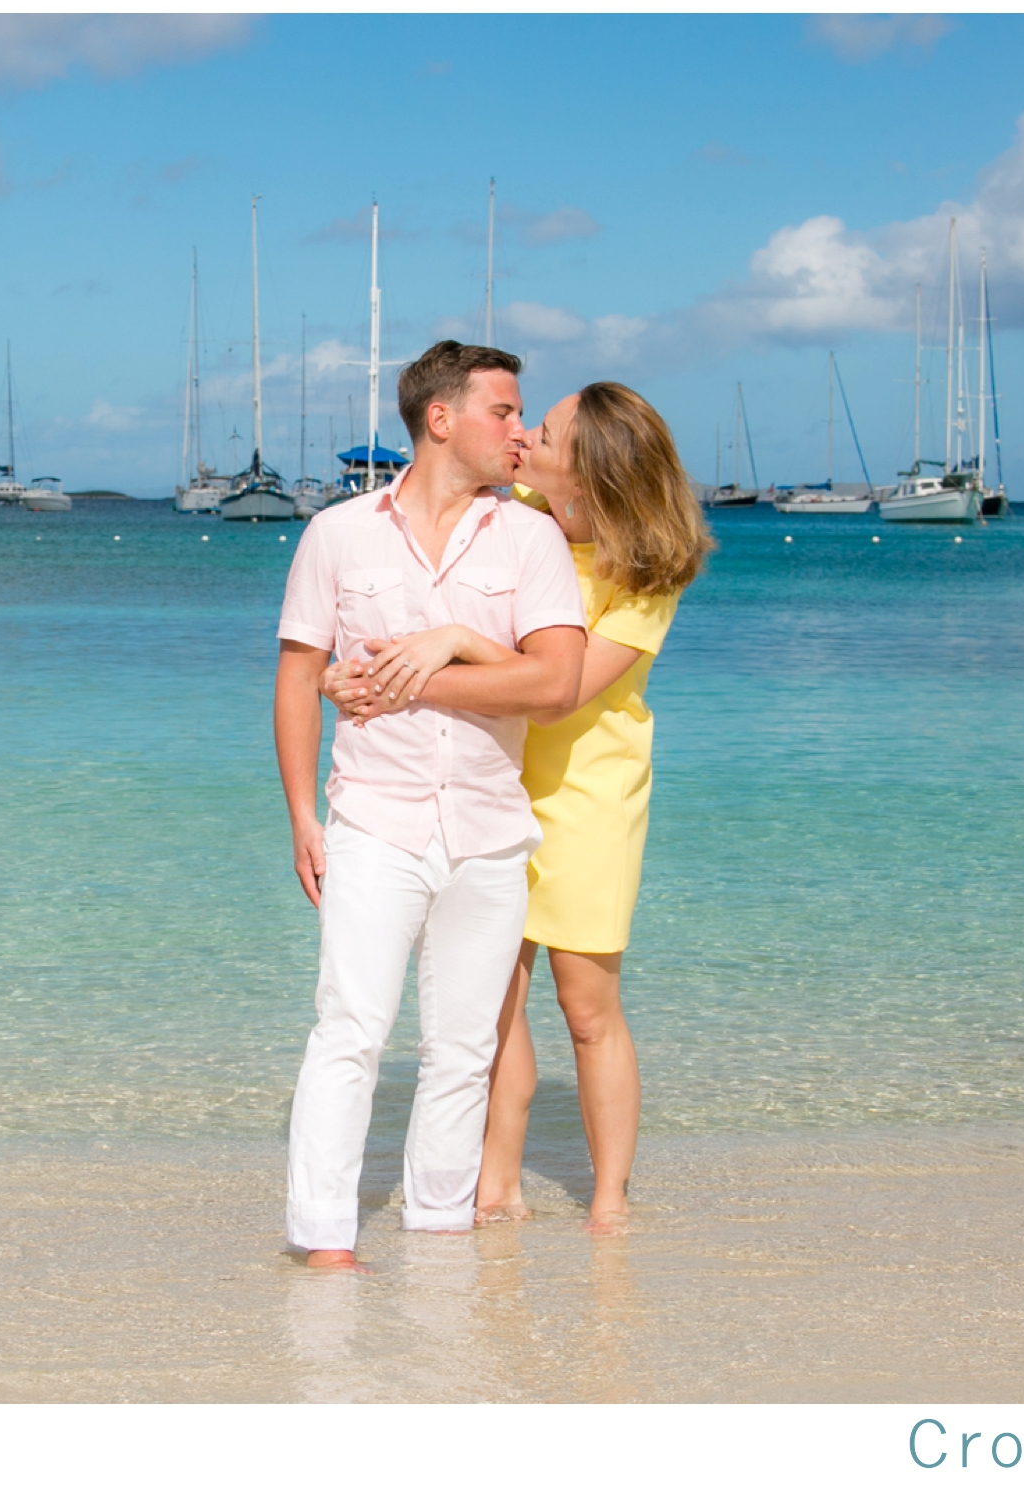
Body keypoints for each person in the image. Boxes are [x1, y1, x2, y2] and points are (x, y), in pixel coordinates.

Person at [326, 382, 710, 1231]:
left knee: (586, 1008)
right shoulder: (516, 514)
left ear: (593, 466)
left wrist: (451, 649)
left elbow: (560, 693)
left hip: (589, 797)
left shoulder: (644, 575)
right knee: (489, 999)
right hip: (487, 779)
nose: (524, 433)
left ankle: (608, 1197)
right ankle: (494, 1183)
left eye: (547, 428)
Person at [273, 341, 587, 1270]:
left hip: (490, 828)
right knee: (351, 1029)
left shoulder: (529, 538)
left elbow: (558, 681)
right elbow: (298, 679)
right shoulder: (337, 534)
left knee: (462, 1049)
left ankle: (440, 1227)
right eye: (503, 411)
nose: (519, 431)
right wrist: (302, 816)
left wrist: (426, 669)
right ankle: (324, 1239)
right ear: (440, 419)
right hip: (373, 816)